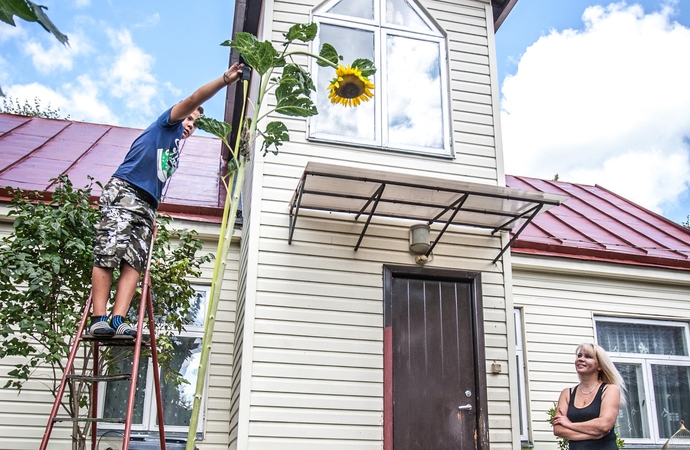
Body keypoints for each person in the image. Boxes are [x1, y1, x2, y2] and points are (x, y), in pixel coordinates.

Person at [88, 62, 244, 338]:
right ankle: (99, 317)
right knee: (110, 250)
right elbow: (194, 99)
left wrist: (152, 213)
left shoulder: (174, 149)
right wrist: (224, 80)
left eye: (194, 123)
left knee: (133, 261)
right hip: (125, 191)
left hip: (147, 204)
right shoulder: (166, 124)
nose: (190, 125)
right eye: (189, 118)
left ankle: (117, 319)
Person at [552, 343, 625, 450]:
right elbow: (558, 429)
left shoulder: (609, 389)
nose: (581, 359)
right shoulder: (567, 393)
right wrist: (592, 434)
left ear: (600, 365)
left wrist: (569, 424)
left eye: (588, 357)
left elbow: (604, 425)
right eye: (579, 355)